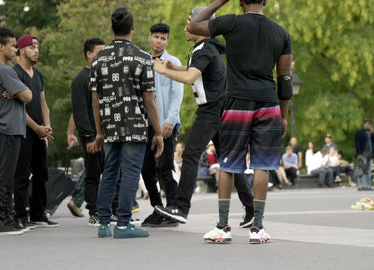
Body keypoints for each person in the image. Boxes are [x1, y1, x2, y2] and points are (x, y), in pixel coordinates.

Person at [169, 0, 292, 244]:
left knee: (229, 163)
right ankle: (257, 228)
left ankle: (223, 226)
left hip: (237, 102)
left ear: (240, 2)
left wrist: (220, 1)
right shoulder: (281, 33)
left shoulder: (232, 22)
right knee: (261, 166)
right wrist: (284, 115)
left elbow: (196, 24)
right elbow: (285, 78)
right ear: (265, 1)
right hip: (268, 103)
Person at [153, 6, 255, 231]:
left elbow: (190, 77)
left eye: (190, 22)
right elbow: (193, 69)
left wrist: (163, 71)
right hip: (222, 110)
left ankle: (180, 207)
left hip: (211, 111)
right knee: (230, 162)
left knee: (190, 155)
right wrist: (174, 66)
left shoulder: (204, 49)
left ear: (203, 26)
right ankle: (252, 211)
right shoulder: (207, 48)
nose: (185, 27)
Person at [89, 6, 163, 239]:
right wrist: (158, 132)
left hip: (109, 124)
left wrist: (99, 132)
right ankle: (123, 224)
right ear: (133, 27)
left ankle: (103, 224)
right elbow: (149, 99)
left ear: (111, 28)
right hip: (135, 124)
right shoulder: (143, 58)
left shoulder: (98, 58)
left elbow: (95, 99)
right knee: (131, 171)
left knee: (110, 170)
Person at [0, 27, 33, 235]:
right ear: (1, 46)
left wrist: (17, 93)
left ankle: (7, 217)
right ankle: (1, 221)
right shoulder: (4, 70)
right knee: (4, 176)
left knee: (7, 175)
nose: (16, 49)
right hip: (7, 129)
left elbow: (22, 94)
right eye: (13, 46)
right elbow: (28, 96)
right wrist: (19, 93)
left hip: (7, 128)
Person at [139, 23, 184, 227]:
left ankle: (173, 207)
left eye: (163, 38)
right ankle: (158, 209)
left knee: (165, 167)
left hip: (167, 123)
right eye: (156, 37)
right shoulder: (141, 61)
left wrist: (170, 121)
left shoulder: (173, 62)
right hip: (145, 124)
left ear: (167, 41)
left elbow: (177, 95)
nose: (159, 41)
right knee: (146, 168)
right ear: (150, 38)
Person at [12, 34, 56, 230]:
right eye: (32, 47)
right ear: (21, 50)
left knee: (42, 174)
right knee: (22, 175)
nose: (36, 50)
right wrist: (36, 127)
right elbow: (17, 109)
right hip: (23, 131)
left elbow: (43, 102)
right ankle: (20, 215)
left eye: (37, 47)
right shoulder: (14, 73)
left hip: (39, 131)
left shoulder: (38, 74)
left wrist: (46, 128)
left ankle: (39, 214)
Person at [66, 37, 107, 224]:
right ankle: (94, 212)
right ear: (89, 54)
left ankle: (110, 210)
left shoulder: (104, 75)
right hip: (91, 135)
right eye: (99, 52)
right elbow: (80, 112)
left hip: (107, 133)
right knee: (92, 174)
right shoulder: (80, 80)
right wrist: (89, 137)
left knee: (112, 172)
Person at [355, 118, 374, 191]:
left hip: (369, 154)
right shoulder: (360, 132)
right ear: (364, 124)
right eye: (368, 124)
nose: (369, 126)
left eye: (370, 124)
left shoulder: (371, 133)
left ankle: (368, 185)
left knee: (368, 170)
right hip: (362, 153)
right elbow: (357, 144)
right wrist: (359, 154)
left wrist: (373, 133)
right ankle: (361, 185)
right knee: (362, 170)